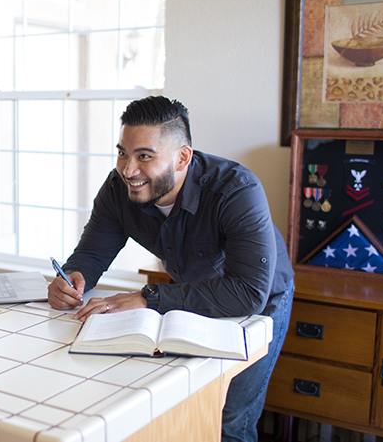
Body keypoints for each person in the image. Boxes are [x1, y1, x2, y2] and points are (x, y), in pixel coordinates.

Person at [48, 96, 293, 442]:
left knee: (231, 419)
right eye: (122, 152)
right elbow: (90, 254)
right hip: (190, 297)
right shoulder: (119, 189)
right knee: (186, 406)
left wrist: (149, 298)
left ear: (182, 157)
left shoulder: (238, 190)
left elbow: (247, 293)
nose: (128, 169)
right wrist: (73, 277)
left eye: (144, 156)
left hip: (260, 301)